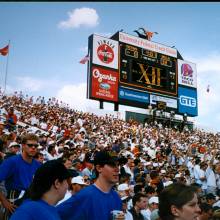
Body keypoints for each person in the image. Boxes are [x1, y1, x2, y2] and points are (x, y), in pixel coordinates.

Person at [56, 150, 123, 220]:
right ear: (99, 168)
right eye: (112, 165)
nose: (117, 169)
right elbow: (51, 215)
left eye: (117, 165)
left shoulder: (116, 197)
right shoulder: (85, 196)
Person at [0, 133, 41, 219]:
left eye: (35, 146)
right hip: (14, 201)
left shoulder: (38, 165)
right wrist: (4, 201)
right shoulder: (11, 162)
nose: (33, 148)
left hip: (29, 202)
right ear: (23, 145)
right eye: (30, 145)